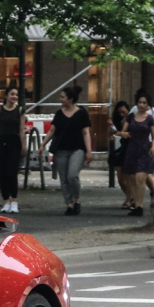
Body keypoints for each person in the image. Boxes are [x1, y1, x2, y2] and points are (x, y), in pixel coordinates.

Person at [41, 85, 92, 215]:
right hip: (61, 150)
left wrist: (89, 150)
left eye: (63, 97)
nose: (61, 99)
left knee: (72, 175)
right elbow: (52, 130)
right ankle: (69, 204)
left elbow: (86, 132)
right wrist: (43, 144)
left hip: (77, 148)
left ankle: (76, 199)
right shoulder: (59, 113)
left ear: (70, 99)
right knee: (63, 178)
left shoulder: (81, 113)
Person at [117, 92, 154, 217]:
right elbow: (122, 132)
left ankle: (140, 205)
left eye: (144, 103)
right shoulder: (131, 117)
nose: (141, 105)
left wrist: (153, 147)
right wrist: (123, 134)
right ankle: (136, 204)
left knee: (140, 177)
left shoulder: (150, 119)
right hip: (131, 149)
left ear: (148, 105)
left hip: (144, 149)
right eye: (140, 102)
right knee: (132, 179)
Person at [0, 85, 27, 212]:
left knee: (12, 172)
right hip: (2, 141)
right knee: (2, 172)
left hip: (15, 142)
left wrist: (24, 145)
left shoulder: (20, 110)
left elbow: (22, 130)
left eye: (16, 94)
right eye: (12, 94)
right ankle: (6, 201)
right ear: (6, 96)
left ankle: (14, 200)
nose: (14, 97)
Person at [109, 101, 132, 209]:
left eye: (124, 112)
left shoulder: (132, 118)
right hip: (121, 147)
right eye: (120, 113)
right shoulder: (117, 121)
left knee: (129, 176)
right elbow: (116, 133)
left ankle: (129, 199)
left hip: (130, 147)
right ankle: (130, 197)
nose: (122, 114)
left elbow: (127, 133)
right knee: (120, 176)